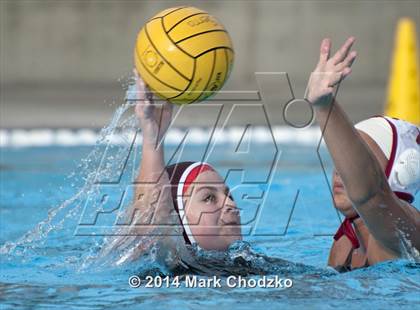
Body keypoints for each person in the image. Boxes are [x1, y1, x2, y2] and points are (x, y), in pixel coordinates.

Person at [305, 37, 420, 271]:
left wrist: (324, 105)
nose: (341, 170)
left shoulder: (410, 230)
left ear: (397, 170)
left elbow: (370, 193)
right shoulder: (346, 245)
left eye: (359, 157)